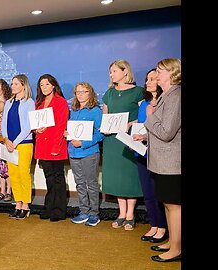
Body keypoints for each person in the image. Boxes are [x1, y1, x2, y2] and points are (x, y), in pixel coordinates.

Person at [143, 58, 181, 263]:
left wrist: (150, 116)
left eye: (160, 71)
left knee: (174, 205)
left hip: (172, 161)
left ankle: (176, 248)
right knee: (168, 204)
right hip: (163, 161)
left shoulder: (175, 96)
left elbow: (166, 132)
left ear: (172, 73)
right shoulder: (167, 95)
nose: (156, 74)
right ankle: (172, 242)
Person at [101, 59, 143, 231]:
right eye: (110, 72)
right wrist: (105, 127)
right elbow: (106, 116)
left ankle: (131, 214)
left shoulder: (138, 92)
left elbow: (144, 117)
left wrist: (131, 124)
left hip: (128, 140)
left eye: (114, 71)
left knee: (129, 176)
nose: (111, 75)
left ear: (125, 71)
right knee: (117, 177)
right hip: (111, 141)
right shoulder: (109, 94)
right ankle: (121, 213)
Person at [132, 69, 167, 243]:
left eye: (152, 79)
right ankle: (153, 225)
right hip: (142, 150)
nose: (148, 82)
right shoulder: (144, 103)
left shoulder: (165, 101)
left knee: (158, 191)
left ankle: (163, 227)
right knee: (147, 192)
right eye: (147, 79)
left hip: (159, 153)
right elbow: (142, 125)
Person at [66, 82, 104, 226]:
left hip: (89, 152)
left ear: (90, 93)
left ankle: (94, 214)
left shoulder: (95, 111)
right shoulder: (74, 110)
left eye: (84, 91)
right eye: (78, 92)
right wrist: (67, 134)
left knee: (91, 184)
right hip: (74, 152)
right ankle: (84, 211)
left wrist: (84, 143)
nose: (80, 94)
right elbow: (74, 130)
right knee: (80, 184)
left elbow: (101, 134)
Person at [33, 74, 69, 222]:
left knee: (58, 178)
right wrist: (36, 130)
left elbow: (61, 125)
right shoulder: (39, 103)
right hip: (42, 145)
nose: (44, 87)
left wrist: (56, 146)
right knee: (49, 178)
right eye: (42, 85)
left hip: (56, 145)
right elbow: (34, 124)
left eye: (47, 84)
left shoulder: (61, 102)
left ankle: (59, 210)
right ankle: (48, 207)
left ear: (53, 85)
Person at [2, 74, 35, 220]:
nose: (12, 86)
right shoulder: (8, 102)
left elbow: (28, 126)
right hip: (9, 144)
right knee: (13, 175)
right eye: (12, 83)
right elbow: (4, 122)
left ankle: (26, 206)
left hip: (24, 144)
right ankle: (18, 203)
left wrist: (15, 142)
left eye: (16, 84)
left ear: (23, 85)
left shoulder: (29, 102)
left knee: (23, 174)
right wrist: (6, 139)